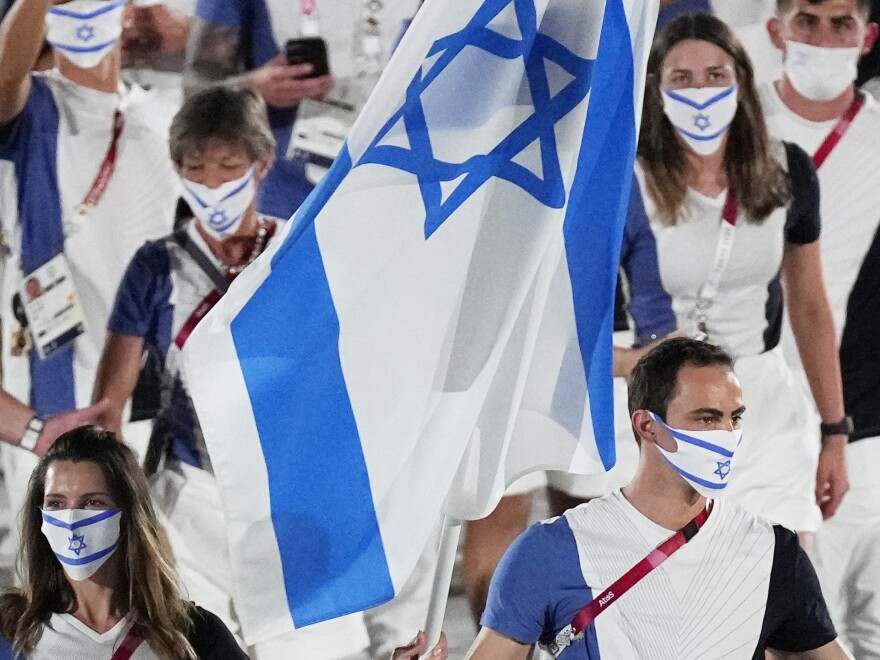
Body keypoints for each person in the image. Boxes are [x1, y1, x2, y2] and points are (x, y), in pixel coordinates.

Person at [616, 13, 850, 543]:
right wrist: (633, 363)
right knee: (675, 601)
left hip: (762, 404)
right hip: (666, 407)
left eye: (716, 75)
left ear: (741, 83)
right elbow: (569, 331)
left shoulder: (788, 170)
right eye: (682, 78)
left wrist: (835, 432)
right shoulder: (627, 185)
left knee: (789, 593)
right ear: (656, 91)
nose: (701, 91)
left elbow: (811, 307)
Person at [466, 338, 851, 659]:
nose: (726, 436)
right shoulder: (549, 552)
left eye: (734, 418)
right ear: (647, 425)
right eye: (706, 418)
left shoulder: (774, 553)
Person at [0, 0, 176, 563]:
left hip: (145, 398)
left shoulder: (166, 116)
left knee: (152, 599)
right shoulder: (31, 108)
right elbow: (7, 76)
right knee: (61, 596)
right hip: (48, 403)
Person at [760, 0, 880, 654]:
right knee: (780, 625)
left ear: (869, 38)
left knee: (850, 621)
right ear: (777, 29)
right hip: (745, 408)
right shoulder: (737, 125)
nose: (824, 38)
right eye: (807, 19)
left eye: (842, 24)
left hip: (846, 413)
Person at [0, 425, 247, 658]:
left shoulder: (194, 634)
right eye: (56, 503)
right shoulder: (10, 630)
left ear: (128, 515)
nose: (71, 519)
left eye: (92, 502)